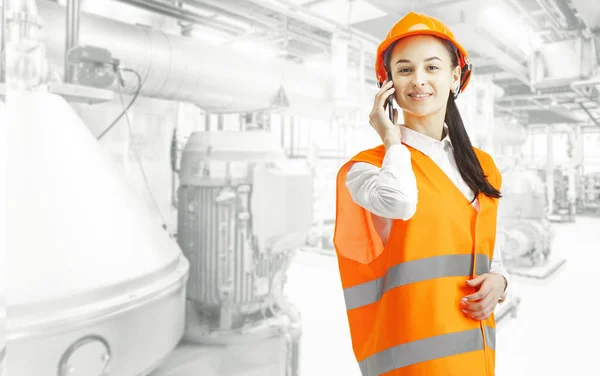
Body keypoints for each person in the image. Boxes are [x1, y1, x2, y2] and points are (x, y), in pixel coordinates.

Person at [332, 12, 510, 376]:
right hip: (410, 361)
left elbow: (490, 247)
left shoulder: (483, 166)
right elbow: (401, 202)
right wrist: (391, 138)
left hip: (475, 354)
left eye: (432, 67)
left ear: (455, 76)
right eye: (404, 70)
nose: (419, 81)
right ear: (387, 84)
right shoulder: (366, 168)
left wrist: (500, 281)